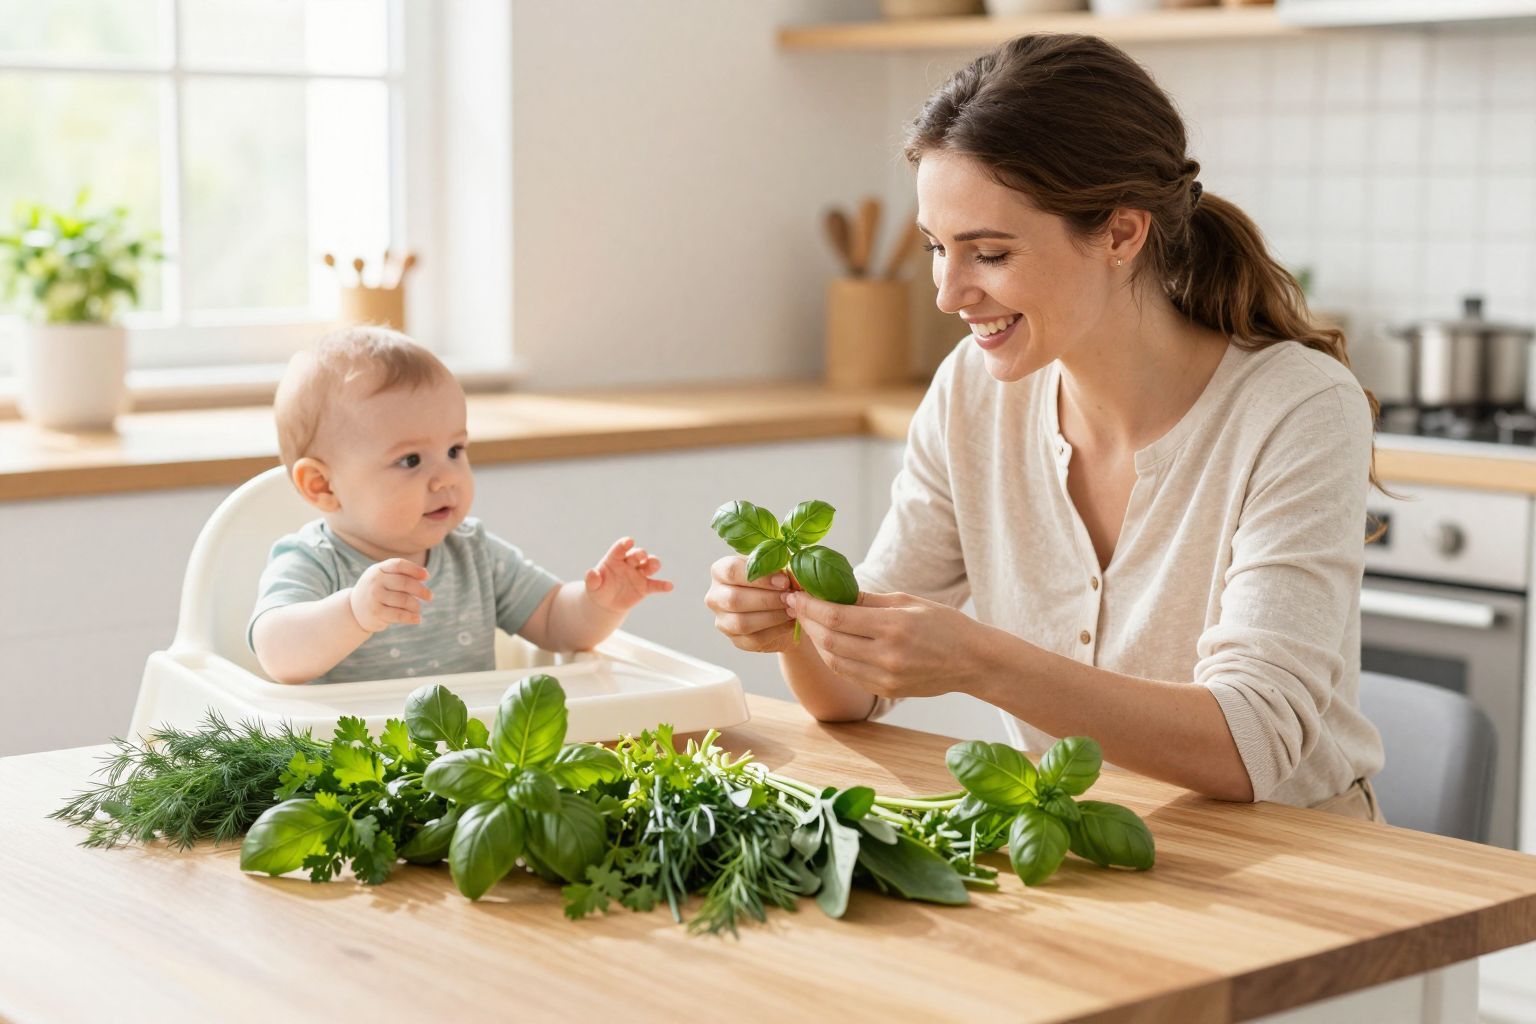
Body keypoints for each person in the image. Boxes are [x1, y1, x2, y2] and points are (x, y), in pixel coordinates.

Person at [706, 34, 1385, 818]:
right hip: (1079, 849)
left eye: (988, 253)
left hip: (1298, 870)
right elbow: (853, 691)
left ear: (1122, 235)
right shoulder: (972, 390)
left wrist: (980, 661)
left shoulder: (1296, 410)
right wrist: (794, 621)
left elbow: (1251, 741)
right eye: (936, 248)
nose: (948, 293)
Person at [249, 326, 672, 685]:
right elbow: (277, 653)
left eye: (455, 449)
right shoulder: (314, 561)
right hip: (358, 770)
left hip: (473, 755)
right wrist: (354, 611)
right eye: (410, 460)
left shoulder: (474, 553)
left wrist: (601, 603)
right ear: (323, 485)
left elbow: (554, 624)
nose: (446, 476)